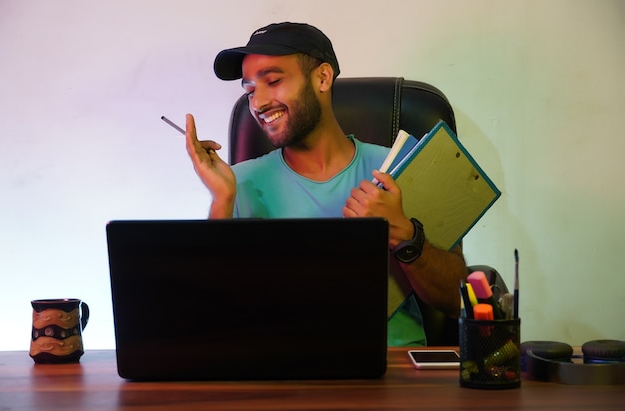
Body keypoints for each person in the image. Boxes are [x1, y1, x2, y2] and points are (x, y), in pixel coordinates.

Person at [184, 22, 467, 346]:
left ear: (322, 77)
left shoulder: (402, 168)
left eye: (273, 81)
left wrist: (404, 235)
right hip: (285, 371)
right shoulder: (236, 183)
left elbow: (457, 302)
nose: (258, 103)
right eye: (249, 90)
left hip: (394, 371)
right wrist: (221, 201)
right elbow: (210, 314)